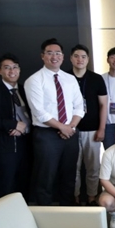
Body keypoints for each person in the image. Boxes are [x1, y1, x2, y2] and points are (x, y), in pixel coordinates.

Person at [24, 38, 84, 206]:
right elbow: (39, 111)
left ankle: (68, 209)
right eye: (50, 53)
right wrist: (62, 127)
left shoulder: (70, 79)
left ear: (63, 56)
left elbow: (80, 106)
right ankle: (45, 213)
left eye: (58, 53)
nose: (54, 56)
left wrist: (70, 127)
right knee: (46, 176)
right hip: (47, 134)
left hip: (70, 132)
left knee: (69, 175)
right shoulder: (34, 80)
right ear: (42, 56)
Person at [0, 54, 32, 200]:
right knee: (6, 184)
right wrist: (13, 124)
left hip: (27, 145)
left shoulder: (26, 91)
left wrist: (24, 128)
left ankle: (22, 212)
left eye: (15, 67)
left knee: (25, 183)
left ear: (19, 69)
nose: (12, 71)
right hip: (5, 147)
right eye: (7, 68)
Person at [70, 44, 108, 205]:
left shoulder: (96, 79)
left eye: (83, 57)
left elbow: (103, 105)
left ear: (88, 59)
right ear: (71, 58)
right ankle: (75, 197)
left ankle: (92, 197)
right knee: (73, 168)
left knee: (93, 167)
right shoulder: (65, 77)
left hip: (92, 129)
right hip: (70, 130)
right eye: (76, 56)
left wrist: (101, 128)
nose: (80, 59)